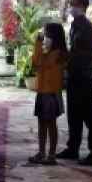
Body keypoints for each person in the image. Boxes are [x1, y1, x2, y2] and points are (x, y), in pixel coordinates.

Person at [56, 0, 92, 165]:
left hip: (84, 75)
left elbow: (91, 53)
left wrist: (70, 55)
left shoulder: (88, 28)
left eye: (74, 4)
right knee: (74, 114)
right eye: (70, 4)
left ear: (83, 7)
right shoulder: (74, 26)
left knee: (89, 115)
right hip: (74, 74)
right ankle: (72, 148)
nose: (71, 7)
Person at [28, 23, 68, 165]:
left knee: (51, 123)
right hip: (43, 90)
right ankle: (41, 152)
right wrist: (39, 47)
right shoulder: (49, 51)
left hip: (51, 92)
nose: (44, 37)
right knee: (42, 123)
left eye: (46, 35)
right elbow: (35, 63)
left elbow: (39, 62)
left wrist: (37, 44)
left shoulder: (57, 53)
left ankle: (51, 154)